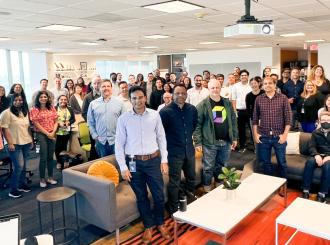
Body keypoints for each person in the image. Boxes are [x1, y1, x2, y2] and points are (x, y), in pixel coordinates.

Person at [115, 86, 170, 244]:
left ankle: (160, 222)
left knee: (159, 196)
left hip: (153, 160)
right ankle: (148, 225)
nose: (137, 101)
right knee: (141, 196)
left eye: (140, 97)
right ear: (130, 100)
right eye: (134, 98)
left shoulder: (154, 115)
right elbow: (119, 145)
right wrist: (123, 168)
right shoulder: (123, 119)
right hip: (132, 162)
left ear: (145, 98)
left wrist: (164, 160)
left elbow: (161, 138)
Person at [193, 79, 238, 192]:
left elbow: (233, 121)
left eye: (217, 87)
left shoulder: (227, 103)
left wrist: (235, 137)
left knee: (222, 165)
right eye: (212, 87)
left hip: (226, 141)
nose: (215, 90)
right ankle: (207, 187)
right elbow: (197, 125)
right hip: (209, 142)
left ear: (220, 88)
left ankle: (219, 184)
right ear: (208, 89)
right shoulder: (202, 105)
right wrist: (198, 142)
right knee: (208, 167)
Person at [159, 84, 198, 214]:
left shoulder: (192, 109)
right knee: (174, 182)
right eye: (177, 93)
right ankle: (173, 208)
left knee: (191, 178)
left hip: (189, 151)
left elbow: (193, 126)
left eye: (183, 93)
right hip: (174, 153)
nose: (180, 95)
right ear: (172, 95)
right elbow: (160, 134)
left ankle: (189, 200)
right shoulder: (165, 112)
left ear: (186, 95)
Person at [253, 77, 292, 184]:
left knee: (282, 163)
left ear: (275, 85)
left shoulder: (283, 98)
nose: (267, 85)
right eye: (265, 83)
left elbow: (288, 119)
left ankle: (282, 186)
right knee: (265, 163)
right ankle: (269, 186)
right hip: (264, 136)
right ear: (262, 86)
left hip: (278, 136)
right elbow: (255, 118)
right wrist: (256, 134)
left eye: (270, 83)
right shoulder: (259, 99)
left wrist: (284, 135)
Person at [0, 93, 33, 198]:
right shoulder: (6, 113)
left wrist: (31, 140)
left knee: (23, 166)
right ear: (12, 101)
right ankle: (13, 190)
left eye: (20, 100)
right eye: (16, 100)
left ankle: (21, 184)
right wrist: (9, 143)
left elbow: (28, 128)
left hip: (26, 142)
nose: (18, 102)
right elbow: (5, 129)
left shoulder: (24, 112)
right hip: (14, 144)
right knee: (19, 166)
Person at [87, 79, 125, 157]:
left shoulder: (120, 103)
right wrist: (95, 136)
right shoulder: (93, 104)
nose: (106, 88)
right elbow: (90, 122)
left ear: (111, 88)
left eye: (108, 86)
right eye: (103, 86)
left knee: (117, 165)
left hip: (116, 141)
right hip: (100, 141)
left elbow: (125, 122)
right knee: (103, 166)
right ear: (100, 88)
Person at [30, 91, 58, 188]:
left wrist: (53, 132)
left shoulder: (51, 108)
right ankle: (42, 178)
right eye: (41, 97)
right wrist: (47, 133)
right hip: (41, 134)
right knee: (43, 157)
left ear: (48, 98)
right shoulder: (34, 109)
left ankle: (50, 177)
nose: (43, 98)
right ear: (38, 98)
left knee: (50, 157)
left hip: (52, 133)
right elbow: (36, 124)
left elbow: (56, 121)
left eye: (45, 97)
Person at [302, 111, 330, 203]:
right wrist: (316, 154)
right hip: (318, 154)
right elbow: (311, 146)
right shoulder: (315, 133)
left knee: (327, 166)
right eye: (323, 120)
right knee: (309, 162)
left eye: (328, 120)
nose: (325, 122)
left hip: (329, 157)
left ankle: (322, 194)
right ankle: (306, 190)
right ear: (320, 121)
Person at [231, 69, 252, 153]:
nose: (244, 76)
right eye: (242, 75)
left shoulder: (251, 85)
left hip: (250, 111)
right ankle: (242, 146)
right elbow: (233, 99)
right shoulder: (235, 86)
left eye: (245, 75)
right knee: (241, 130)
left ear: (248, 76)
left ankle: (255, 146)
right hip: (239, 111)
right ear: (240, 77)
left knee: (252, 129)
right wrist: (234, 110)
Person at [82, 75, 102, 160]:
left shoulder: (105, 95)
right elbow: (84, 112)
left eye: (99, 83)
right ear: (92, 85)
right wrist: (91, 123)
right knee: (94, 148)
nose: (97, 85)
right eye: (95, 83)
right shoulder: (87, 97)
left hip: (103, 126)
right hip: (93, 127)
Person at [55, 95, 75, 170]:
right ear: (58, 100)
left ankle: (63, 160)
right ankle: (58, 162)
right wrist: (58, 122)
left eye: (65, 99)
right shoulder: (54, 108)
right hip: (57, 131)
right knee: (57, 147)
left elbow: (73, 119)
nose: (63, 101)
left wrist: (69, 122)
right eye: (61, 99)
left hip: (67, 130)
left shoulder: (70, 109)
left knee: (64, 146)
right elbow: (52, 118)